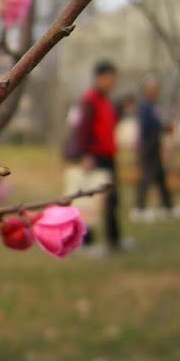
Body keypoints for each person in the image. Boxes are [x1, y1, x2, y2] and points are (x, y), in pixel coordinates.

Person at [77, 61, 122, 251]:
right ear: (99, 78)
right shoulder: (90, 100)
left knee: (112, 200)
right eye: (109, 78)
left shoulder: (106, 100)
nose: (112, 82)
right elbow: (82, 129)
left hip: (108, 155)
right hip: (95, 157)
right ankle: (87, 241)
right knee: (91, 201)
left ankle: (114, 239)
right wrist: (85, 155)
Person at [130, 74, 180, 222]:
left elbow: (157, 123)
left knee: (160, 177)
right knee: (146, 177)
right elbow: (148, 125)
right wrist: (162, 128)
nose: (155, 91)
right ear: (146, 90)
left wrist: (164, 128)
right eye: (152, 89)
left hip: (155, 145)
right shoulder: (144, 107)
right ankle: (139, 208)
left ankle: (167, 206)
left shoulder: (153, 106)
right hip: (147, 146)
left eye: (156, 89)